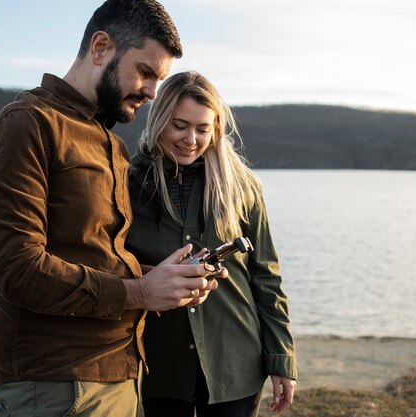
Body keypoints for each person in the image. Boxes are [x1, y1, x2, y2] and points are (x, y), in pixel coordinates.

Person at [0, 2, 222, 416]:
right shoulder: (28, 122)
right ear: (101, 47)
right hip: (56, 383)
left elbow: (98, 261)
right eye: (145, 72)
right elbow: (15, 269)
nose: (151, 92)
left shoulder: (111, 144)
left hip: (119, 375)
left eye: (158, 79)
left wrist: (166, 281)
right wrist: (140, 291)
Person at [125, 71, 298, 417]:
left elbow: (267, 277)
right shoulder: (128, 184)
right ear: (159, 121)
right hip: (160, 366)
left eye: (203, 129)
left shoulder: (243, 187)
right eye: (180, 125)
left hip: (235, 363)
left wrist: (282, 358)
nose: (191, 139)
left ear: (215, 129)